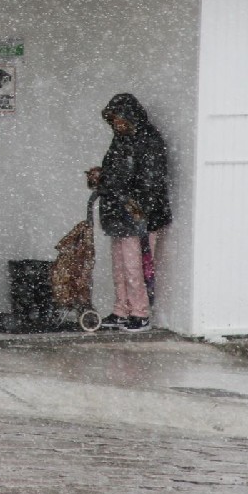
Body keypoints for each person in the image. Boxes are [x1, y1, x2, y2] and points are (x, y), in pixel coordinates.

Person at [86, 92, 172, 332]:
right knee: (120, 265)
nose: (117, 124)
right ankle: (122, 310)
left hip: (139, 215)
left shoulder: (149, 141)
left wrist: (111, 182)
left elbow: (147, 181)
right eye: (113, 120)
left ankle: (139, 312)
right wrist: (103, 177)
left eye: (120, 119)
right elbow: (120, 173)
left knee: (135, 266)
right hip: (121, 212)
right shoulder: (122, 140)